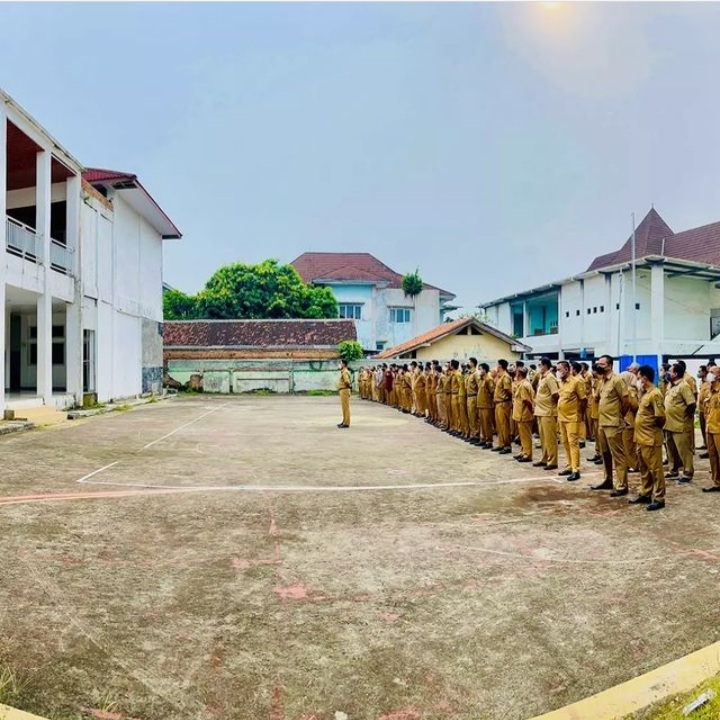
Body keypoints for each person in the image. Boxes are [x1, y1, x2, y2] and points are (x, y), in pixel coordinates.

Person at [629, 365, 666, 511]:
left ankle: (659, 497)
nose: (637, 380)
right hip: (640, 438)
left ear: (644, 378)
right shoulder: (644, 393)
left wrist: (652, 429)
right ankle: (645, 492)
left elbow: (661, 417)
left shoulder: (655, 394)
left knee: (656, 470)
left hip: (650, 438)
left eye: (638, 377)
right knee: (644, 469)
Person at [593, 355, 630, 495]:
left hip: (613, 423)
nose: (598, 366)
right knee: (605, 454)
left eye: (602, 364)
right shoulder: (602, 381)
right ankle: (607, 479)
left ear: (609, 365)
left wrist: (620, 416)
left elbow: (626, 401)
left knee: (618, 455)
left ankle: (622, 485)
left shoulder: (617, 380)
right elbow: (597, 398)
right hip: (602, 423)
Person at [664, 362, 696, 484]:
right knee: (671, 450)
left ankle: (688, 473)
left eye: (670, 371)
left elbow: (691, 404)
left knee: (684, 450)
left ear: (676, 374)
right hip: (669, 424)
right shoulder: (670, 386)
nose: (667, 373)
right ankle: (673, 471)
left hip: (680, 424)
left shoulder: (684, 386)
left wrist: (685, 417)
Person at [556, 360, 586, 481]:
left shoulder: (576, 382)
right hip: (562, 417)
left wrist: (579, 414)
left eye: (559, 369)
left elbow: (583, 400)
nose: (558, 372)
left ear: (567, 369)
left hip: (572, 417)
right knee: (565, 442)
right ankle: (569, 466)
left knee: (573, 443)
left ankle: (576, 470)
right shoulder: (561, 383)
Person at [533, 357, 559, 469]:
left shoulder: (550, 378)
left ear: (545, 365)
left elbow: (555, 394)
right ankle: (544, 458)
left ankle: (552, 461)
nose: (539, 367)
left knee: (550, 438)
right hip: (540, 411)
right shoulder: (541, 377)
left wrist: (553, 407)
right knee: (543, 438)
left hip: (548, 411)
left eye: (540, 365)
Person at [702, 365, 720, 493]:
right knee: (713, 458)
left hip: (719, 429)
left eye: (711, 372)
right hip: (710, 428)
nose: (709, 374)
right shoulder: (710, 390)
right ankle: (716, 482)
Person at [512, 366, 535, 462]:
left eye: (516, 372)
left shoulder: (524, 385)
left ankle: (527, 454)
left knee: (526, 435)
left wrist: (531, 410)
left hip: (524, 414)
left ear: (519, 374)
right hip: (520, 414)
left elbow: (526, 400)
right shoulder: (522, 384)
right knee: (522, 435)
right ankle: (523, 451)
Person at [493, 359, 513, 454]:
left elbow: (508, 391)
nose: (496, 367)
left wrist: (506, 399)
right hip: (498, 403)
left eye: (498, 365)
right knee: (499, 425)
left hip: (503, 403)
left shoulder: (506, 377)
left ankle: (507, 445)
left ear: (500, 366)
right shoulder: (500, 376)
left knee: (504, 425)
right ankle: (501, 444)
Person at [477, 363, 495, 449]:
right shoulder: (481, 379)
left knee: (487, 424)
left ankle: (489, 441)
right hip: (480, 405)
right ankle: (483, 439)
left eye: (480, 369)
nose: (479, 371)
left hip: (487, 405)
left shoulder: (489, 379)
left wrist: (490, 403)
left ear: (484, 370)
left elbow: (492, 392)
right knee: (482, 423)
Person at [466, 358, 480, 445]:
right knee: (470, 417)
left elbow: (479, 387)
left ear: (473, 363)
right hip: (469, 397)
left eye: (469, 361)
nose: (468, 363)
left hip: (474, 397)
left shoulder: (476, 374)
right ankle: (472, 434)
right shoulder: (469, 373)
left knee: (474, 417)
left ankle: (476, 435)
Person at [337, 359, 352, 428]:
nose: (340, 364)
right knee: (344, 407)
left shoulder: (345, 372)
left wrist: (348, 387)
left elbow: (347, 381)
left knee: (346, 407)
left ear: (343, 364)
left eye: (341, 363)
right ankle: (344, 421)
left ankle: (346, 423)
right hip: (344, 390)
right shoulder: (343, 371)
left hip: (345, 390)